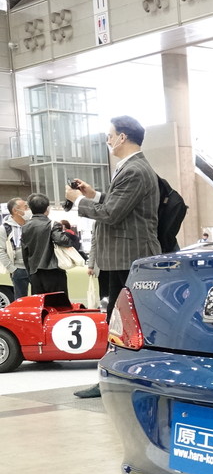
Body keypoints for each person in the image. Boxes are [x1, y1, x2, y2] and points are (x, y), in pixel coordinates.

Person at [66, 115, 160, 398]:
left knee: (126, 321)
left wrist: (78, 201)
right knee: (118, 320)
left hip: (129, 257)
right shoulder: (132, 168)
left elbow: (112, 213)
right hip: (124, 256)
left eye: (110, 135)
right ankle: (114, 377)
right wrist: (94, 195)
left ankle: (118, 378)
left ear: (122, 137)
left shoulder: (135, 170)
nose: (107, 140)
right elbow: (118, 204)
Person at [20, 193, 71, 296]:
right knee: (58, 303)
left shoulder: (25, 227)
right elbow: (63, 241)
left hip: (35, 273)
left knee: (40, 303)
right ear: (47, 208)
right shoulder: (52, 225)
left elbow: (25, 253)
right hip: (54, 271)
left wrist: (30, 271)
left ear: (30, 209)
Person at [0, 198, 29, 300]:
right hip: (18, 268)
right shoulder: (5, 228)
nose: (28, 209)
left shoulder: (30, 224)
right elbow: (1, 250)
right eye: (25, 207)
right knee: (21, 299)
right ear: (15, 211)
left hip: (34, 268)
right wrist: (12, 269)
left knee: (38, 298)